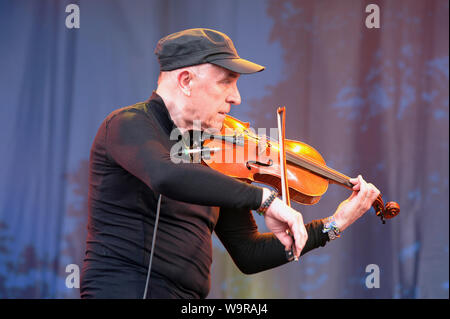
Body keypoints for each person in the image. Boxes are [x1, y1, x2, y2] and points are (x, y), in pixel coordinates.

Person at [80, 28, 380, 299]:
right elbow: (166, 174)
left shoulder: (219, 156)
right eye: (227, 82)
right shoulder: (128, 124)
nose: (236, 98)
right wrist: (266, 199)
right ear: (185, 81)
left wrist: (334, 224)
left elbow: (248, 253)